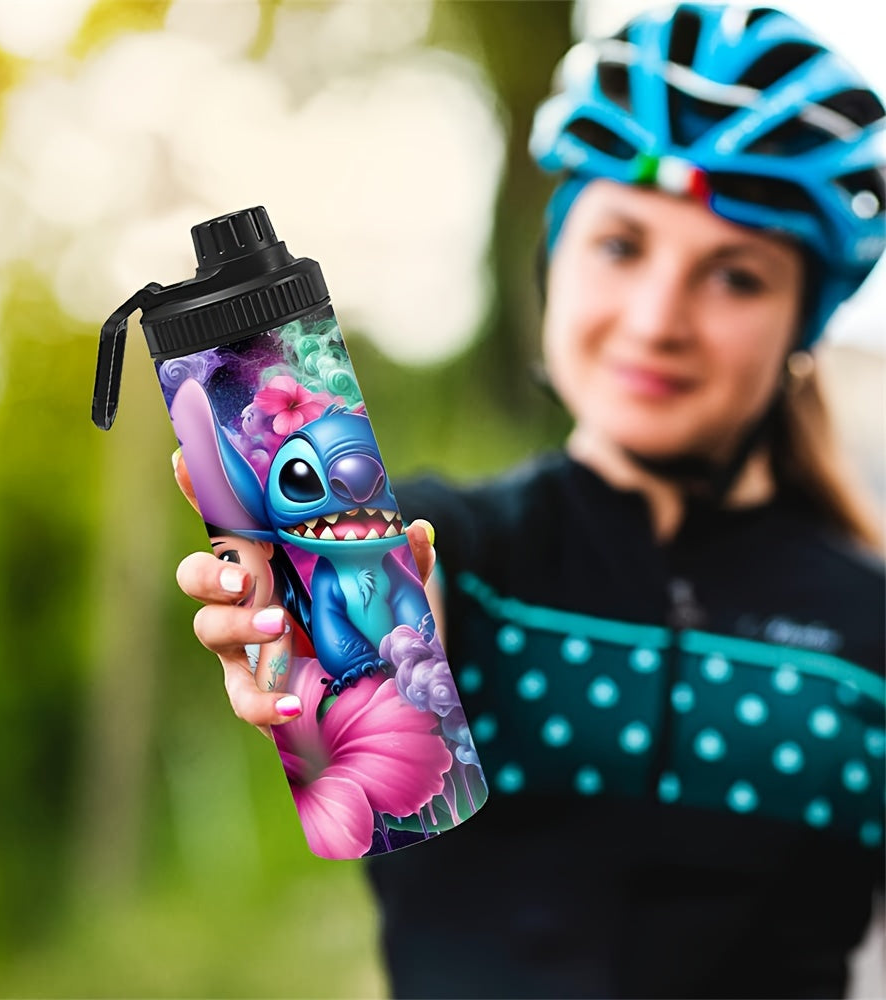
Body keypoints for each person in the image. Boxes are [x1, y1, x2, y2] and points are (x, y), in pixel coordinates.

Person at [173, 3, 885, 997]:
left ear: (803, 325)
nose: (657, 319)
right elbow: (388, 600)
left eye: (734, 276)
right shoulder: (460, 553)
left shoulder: (868, 630)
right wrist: (307, 631)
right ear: (552, 258)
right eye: (622, 246)